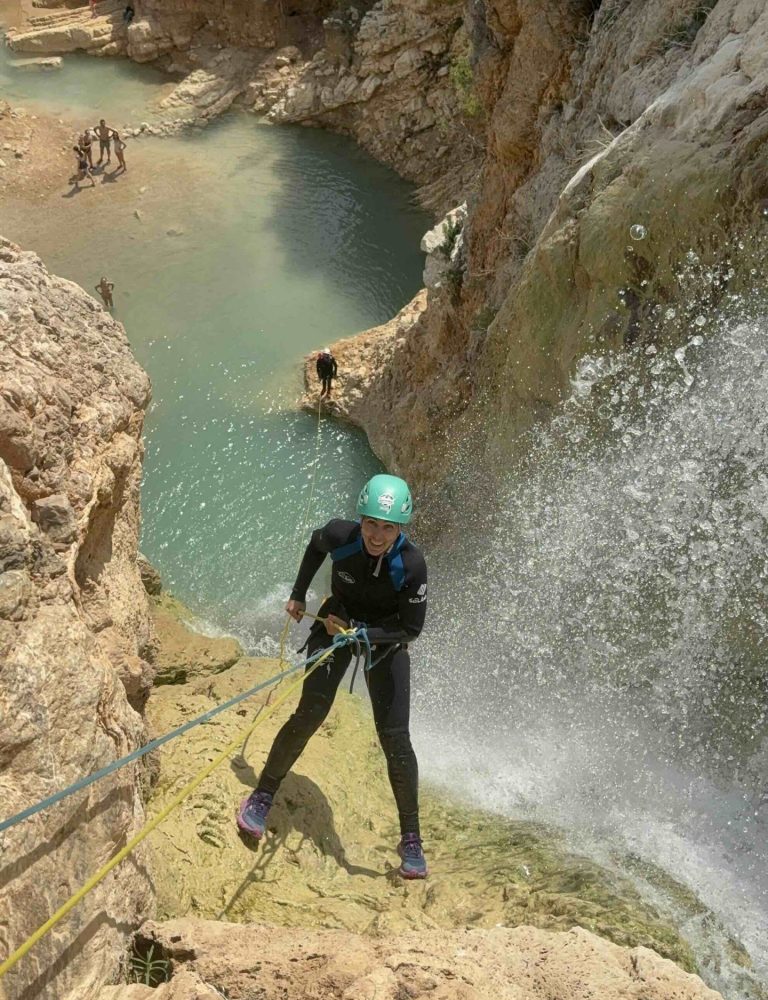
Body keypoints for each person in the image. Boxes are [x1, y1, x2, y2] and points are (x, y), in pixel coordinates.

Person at [237, 474, 429, 879]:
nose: (377, 535)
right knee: (309, 713)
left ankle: (411, 838)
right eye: (372, 523)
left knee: (395, 738)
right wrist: (298, 593)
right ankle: (263, 794)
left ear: (400, 529)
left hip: (385, 640)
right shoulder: (340, 535)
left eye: (388, 527)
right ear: (360, 519)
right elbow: (313, 544)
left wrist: (366, 635)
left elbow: (410, 629)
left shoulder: (411, 566)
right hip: (333, 622)